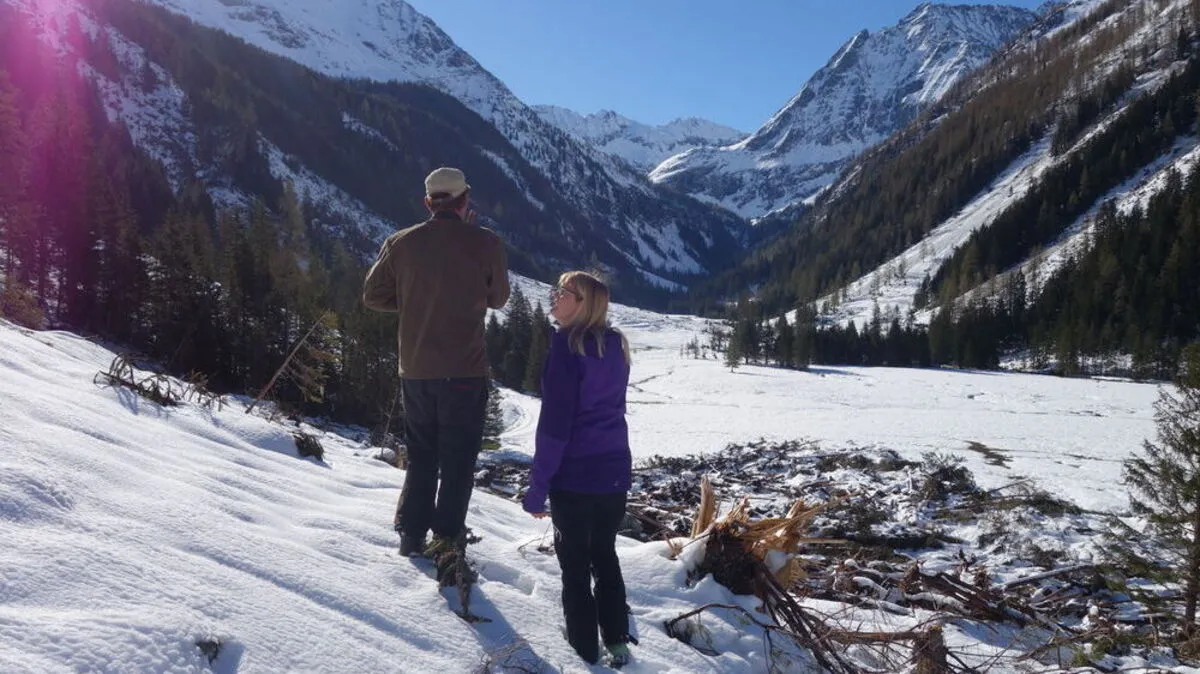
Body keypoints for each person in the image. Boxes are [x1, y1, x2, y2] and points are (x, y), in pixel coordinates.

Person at [363, 167, 510, 563]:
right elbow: (498, 299)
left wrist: (415, 300)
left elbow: (373, 295)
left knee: (422, 456)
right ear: (465, 200)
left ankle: (411, 536)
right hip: (464, 370)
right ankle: (447, 542)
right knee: (458, 462)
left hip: (416, 369)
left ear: (428, 202)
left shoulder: (400, 242)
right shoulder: (486, 242)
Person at [522, 271, 636, 667]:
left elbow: (555, 429)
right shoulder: (615, 345)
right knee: (605, 557)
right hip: (614, 472)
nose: (554, 297)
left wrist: (537, 488)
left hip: (575, 477)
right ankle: (618, 644)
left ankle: (584, 655)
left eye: (563, 292)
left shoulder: (567, 350)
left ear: (583, 303)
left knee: (575, 570)